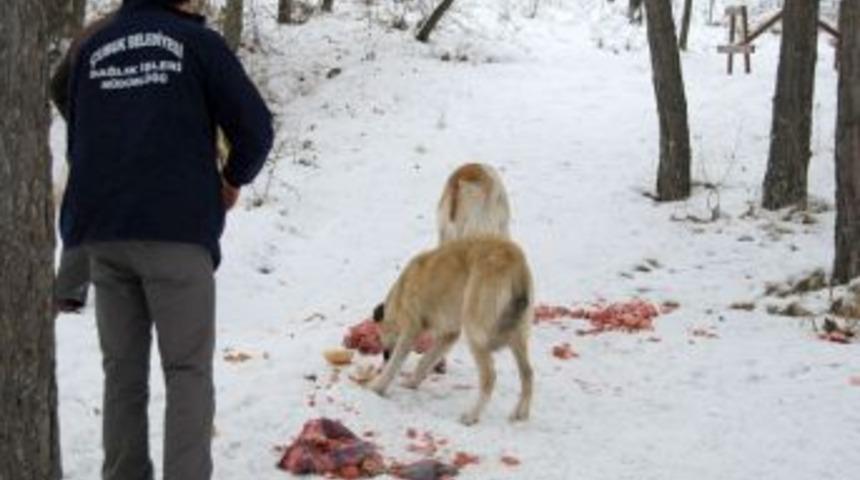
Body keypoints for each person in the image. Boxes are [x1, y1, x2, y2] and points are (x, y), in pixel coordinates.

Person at [60, 0, 274, 479]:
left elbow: (75, 127)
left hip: (105, 231)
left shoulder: (92, 45)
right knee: (187, 373)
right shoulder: (197, 43)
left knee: (123, 375)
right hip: (175, 232)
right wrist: (233, 178)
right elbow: (255, 128)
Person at [50, 12, 116, 313]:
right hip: (135, 143)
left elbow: (58, 86)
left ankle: (70, 289)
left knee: (84, 211)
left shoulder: (92, 32)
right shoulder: (169, 30)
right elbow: (59, 86)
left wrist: (81, 124)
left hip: (93, 142)